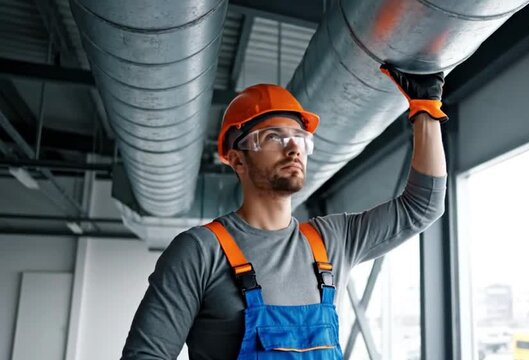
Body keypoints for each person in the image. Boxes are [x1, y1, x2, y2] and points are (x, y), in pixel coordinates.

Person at [121, 65, 448, 359]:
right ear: (238, 160)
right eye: (273, 137)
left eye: (300, 138)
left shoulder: (333, 240)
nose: (293, 147)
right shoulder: (199, 252)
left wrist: (425, 109)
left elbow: (421, 206)